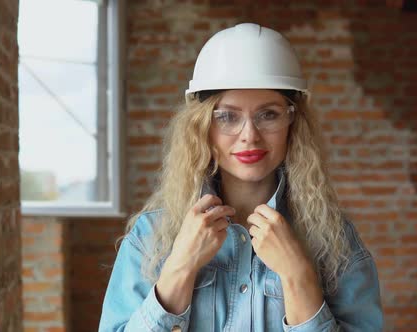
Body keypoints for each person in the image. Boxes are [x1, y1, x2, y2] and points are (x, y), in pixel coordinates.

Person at [99, 23, 383, 332]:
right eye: (227, 116)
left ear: (293, 123)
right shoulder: (149, 236)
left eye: (268, 114)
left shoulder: (336, 241)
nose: (249, 136)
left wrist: (298, 276)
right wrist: (180, 267)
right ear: (202, 127)